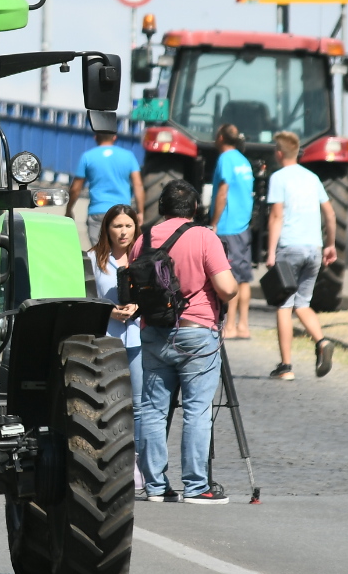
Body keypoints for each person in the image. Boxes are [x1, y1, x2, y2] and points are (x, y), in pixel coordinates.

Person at [134, 179, 239, 504]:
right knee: (196, 409)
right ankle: (196, 486)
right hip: (197, 331)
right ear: (194, 208)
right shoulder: (204, 236)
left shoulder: (145, 238)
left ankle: (154, 487)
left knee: (153, 409)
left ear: (161, 207)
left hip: (154, 331)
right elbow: (226, 288)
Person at [266, 130, 338, 380]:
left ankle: (285, 367)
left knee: (284, 306)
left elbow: (277, 215)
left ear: (278, 153)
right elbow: (330, 213)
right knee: (303, 303)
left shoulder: (278, 178)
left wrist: (271, 251)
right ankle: (321, 341)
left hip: (290, 247)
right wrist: (330, 244)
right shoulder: (312, 178)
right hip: (314, 248)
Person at [88, 204, 145, 494]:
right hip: (106, 341)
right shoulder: (92, 259)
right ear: (106, 229)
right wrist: (108, 312)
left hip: (137, 340)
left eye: (128, 226)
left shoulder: (144, 259)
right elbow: (84, 299)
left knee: (136, 405)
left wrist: (139, 305)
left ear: (136, 227)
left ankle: (134, 465)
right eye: (117, 226)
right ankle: (105, 463)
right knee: (106, 405)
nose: (123, 232)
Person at [210, 123, 256, 339]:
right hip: (243, 225)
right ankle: (244, 326)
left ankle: (228, 327)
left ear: (220, 138)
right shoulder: (243, 160)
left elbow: (223, 191)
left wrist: (214, 221)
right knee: (244, 278)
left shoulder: (225, 159)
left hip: (228, 226)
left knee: (231, 277)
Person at [69, 130, 145, 249]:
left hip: (97, 211)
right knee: (121, 254)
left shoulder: (88, 156)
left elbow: (76, 188)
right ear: (114, 137)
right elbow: (138, 185)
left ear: (95, 137)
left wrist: (69, 209)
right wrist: (140, 212)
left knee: (99, 254)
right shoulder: (128, 156)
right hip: (122, 212)